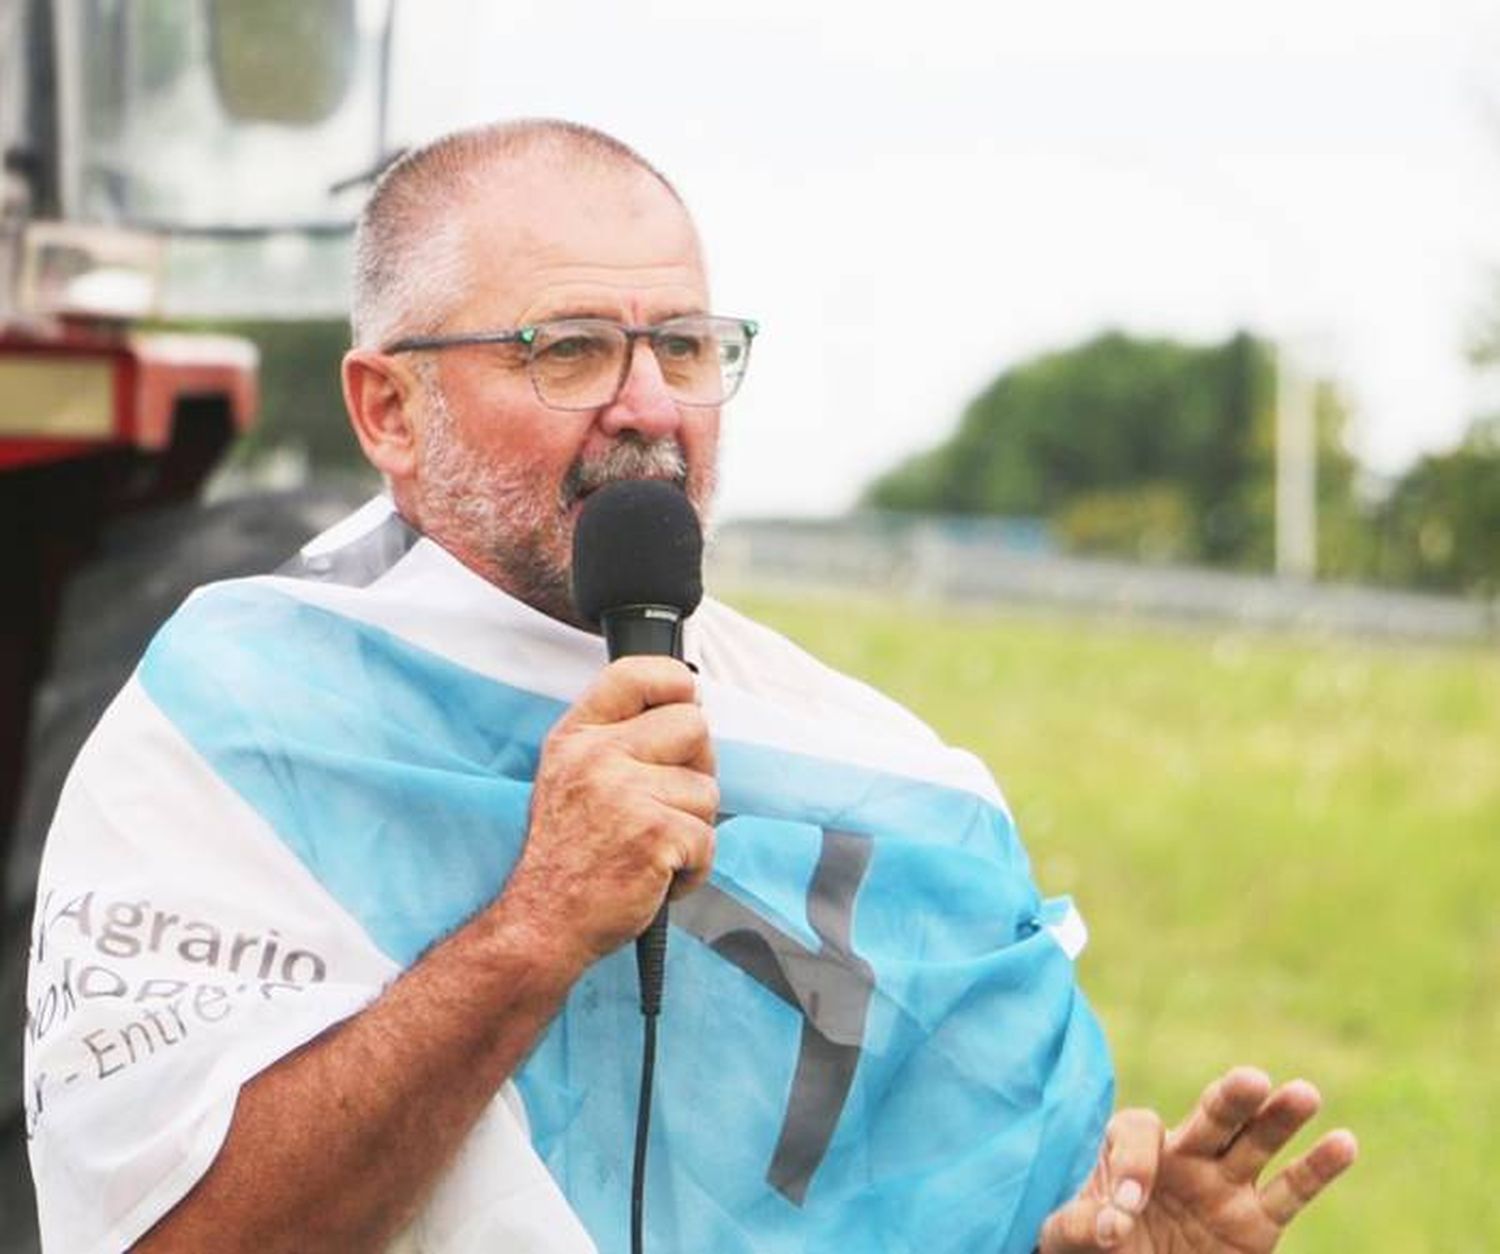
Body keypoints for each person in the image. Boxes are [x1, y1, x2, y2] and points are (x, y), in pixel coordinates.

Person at [23, 120, 1355, 1253]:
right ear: (387, 410)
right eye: (571, 348)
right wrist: (535, 927)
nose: (651, 404)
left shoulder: (886, 770)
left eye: (687, 345)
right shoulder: (241, 721)